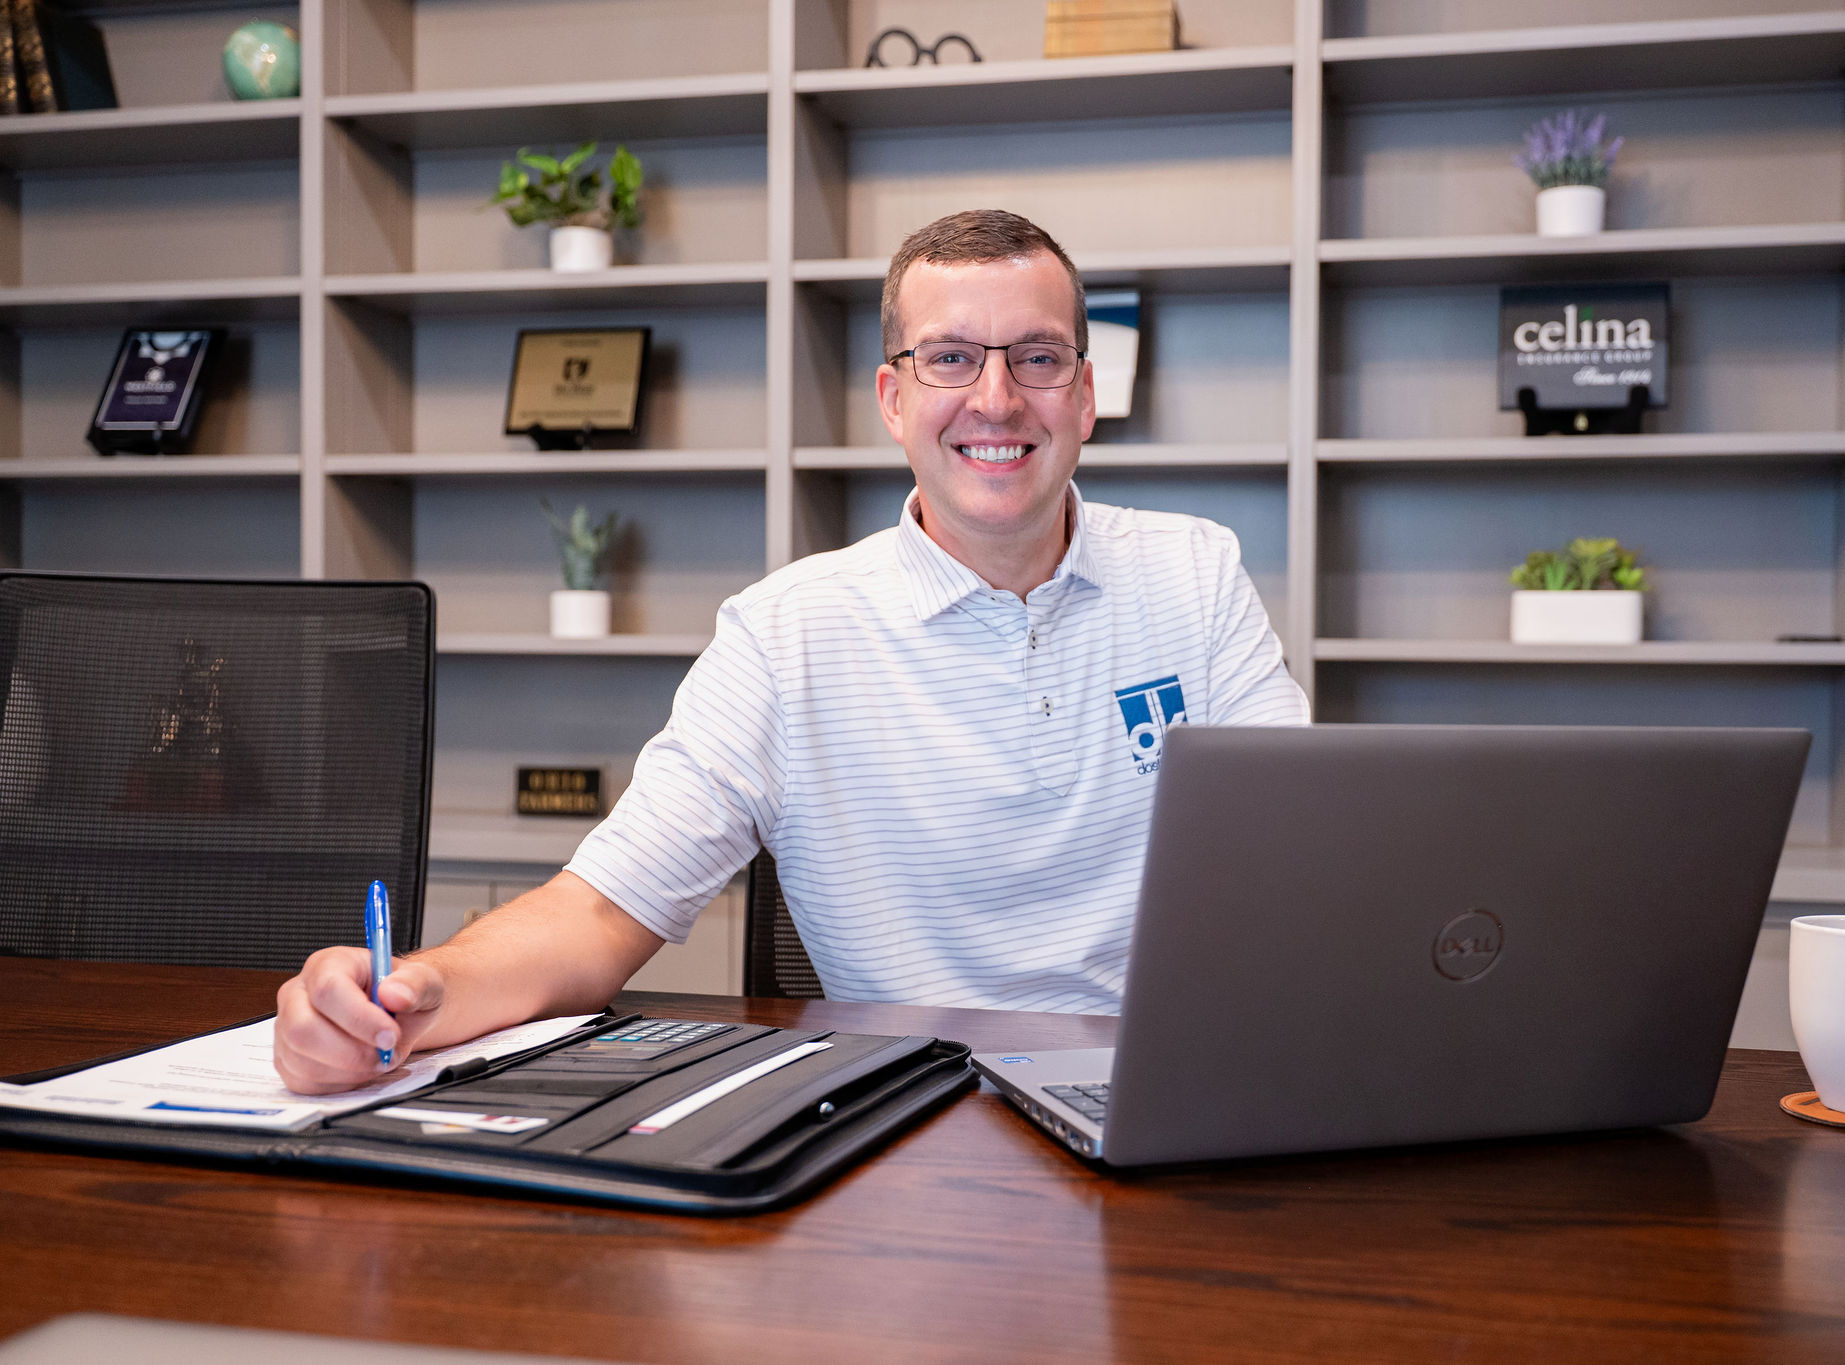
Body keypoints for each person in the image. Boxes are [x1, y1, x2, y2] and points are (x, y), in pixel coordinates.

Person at [274, 210, 1307, 1095]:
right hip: (912, 1113)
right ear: (894, 401)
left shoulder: (1193, 574)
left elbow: (1306, 858)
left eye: (1035, 358)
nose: (995, 399)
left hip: (1163, 1093)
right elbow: (597, 913)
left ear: (1082, 396)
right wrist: (417, 995)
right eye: (949, 358)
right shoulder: (785, 632)